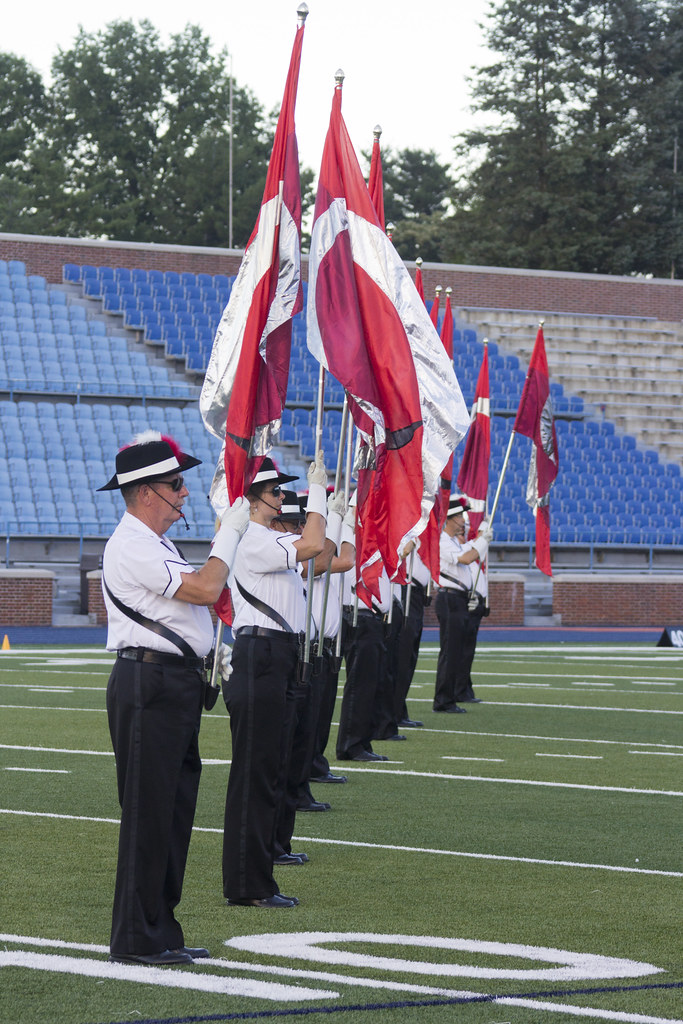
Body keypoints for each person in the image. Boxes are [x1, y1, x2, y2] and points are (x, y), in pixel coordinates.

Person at [99, 431, 249, 966]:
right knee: (148, 812)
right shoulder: (132, 544)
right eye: (175, 484)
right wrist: (228, 538)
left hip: (172, 684)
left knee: (173, 810)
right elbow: (207, 589)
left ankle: (161, 928)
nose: (183, 493)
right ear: (144, 493)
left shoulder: (155, 543)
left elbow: (192, 609)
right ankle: (136, 937)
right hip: (150, 685)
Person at [221, 455, 327, 908]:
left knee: (273, 768)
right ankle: (248, 885)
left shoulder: (271, 538)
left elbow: (323, 560)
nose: (283, 498)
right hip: (260, 655)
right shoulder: (252, 540)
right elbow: (316, 546)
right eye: (276, 492)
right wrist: (319, 496)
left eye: (284, 492)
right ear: (255, 498)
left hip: (280, 655)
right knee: (256, 774)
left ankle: (260, 874)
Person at [433, 495, 492, 714]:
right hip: (449, 599)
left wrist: (481, 540)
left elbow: (468, 550)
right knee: (450, 651)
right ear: (449, 519)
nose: (463, 520)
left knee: (456, 651)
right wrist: (483, 541)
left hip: (458, 600)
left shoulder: (454, 543)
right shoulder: (442, 541)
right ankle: (443, 700)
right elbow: (466, 558)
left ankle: (451, 696)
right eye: (459, 516)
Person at [394, 541, 430, 727]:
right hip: (405, 590)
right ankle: (395, 711)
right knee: (402, 656)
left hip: (416, 595)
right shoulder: (406, 533)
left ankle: (400, 709)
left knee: (410, 658)